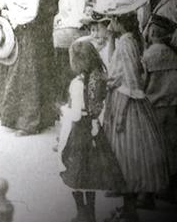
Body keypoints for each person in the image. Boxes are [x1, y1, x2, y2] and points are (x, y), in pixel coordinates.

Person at [103, 11, 170, 222]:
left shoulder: (125, 42)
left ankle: (130, 211)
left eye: (112, 18)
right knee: (129, 157)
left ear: (119, 22)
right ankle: (128, 207)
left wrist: (121, 113)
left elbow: (131, 81)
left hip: (126, 103)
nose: (109, 22)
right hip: (125, 100)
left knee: (126, 156)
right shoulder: (128, 40)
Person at [59, 37, 125, 222]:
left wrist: (64, 109)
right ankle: (91, 212)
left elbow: (77, 115)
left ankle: (82, 213)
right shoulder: (98, 77)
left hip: (79, 132)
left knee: (76, 174)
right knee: (91, 174)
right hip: (94, 130)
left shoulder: (77, 84)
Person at [0, 0, 54, 135]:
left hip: (26, 31)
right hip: (16, 29)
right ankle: (12, 117)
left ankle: (29, 122)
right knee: (12, 72)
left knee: (27, 75)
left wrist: (13, 14)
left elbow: (31, 12)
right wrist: (5, 1)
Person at [142, 14, 177, 204]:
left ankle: (148, 194)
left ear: (152, 32)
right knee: (171, 149)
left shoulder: (147, 56)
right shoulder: (174, 54)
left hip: (153, 107)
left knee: (152, 150)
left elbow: (143, 82)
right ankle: (170, 189)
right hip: (172, 106)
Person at [53, 0, 92, 103]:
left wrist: (61, 22)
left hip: (72, 38)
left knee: (66, 73)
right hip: (66, 35)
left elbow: (77, 19)